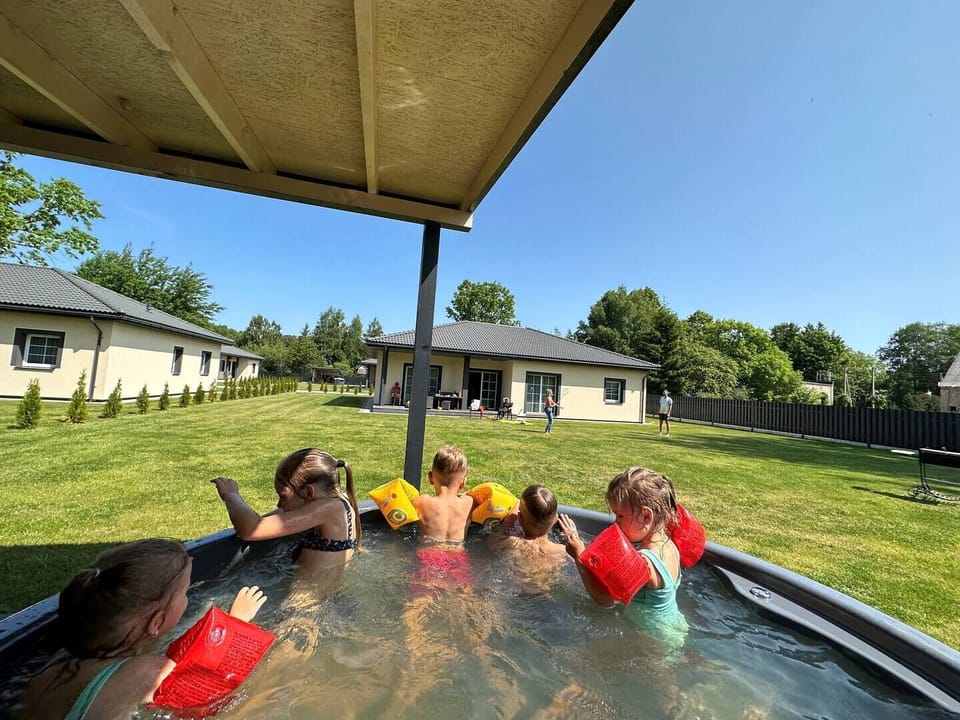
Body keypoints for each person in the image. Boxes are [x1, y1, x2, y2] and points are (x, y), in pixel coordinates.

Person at [18, 539, 267, 720]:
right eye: (184, 592)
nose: (187, 597)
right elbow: (208, 694)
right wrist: (237, 622)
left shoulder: (57, 662)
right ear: (157, 623)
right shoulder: (149, 673)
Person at [558, 467, 687, 643]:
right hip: (674, 625)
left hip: (654, 639)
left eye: (619, 516)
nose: (616, 523)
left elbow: (605, 601)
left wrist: (579, 555)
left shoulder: (645, 564)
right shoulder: (669, 545)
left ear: (646, 516)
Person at [212, 448, 361, 575]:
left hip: (304, 601)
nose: (279, 504)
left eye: (283, 496)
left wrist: (231, 495)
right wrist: (258, 521)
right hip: (320, 596)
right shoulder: (340, 501)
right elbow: (280, 515)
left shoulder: (329, 509)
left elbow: (250, 530)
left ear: (309, 492)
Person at [487, 484, 569, 592]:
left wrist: (507, 523)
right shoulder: (562, 550)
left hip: (518, 595)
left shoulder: (512, 542)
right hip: (545, 595)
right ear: (555, 519)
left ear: (520, 518)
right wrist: (570, 536)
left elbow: (490, 543)